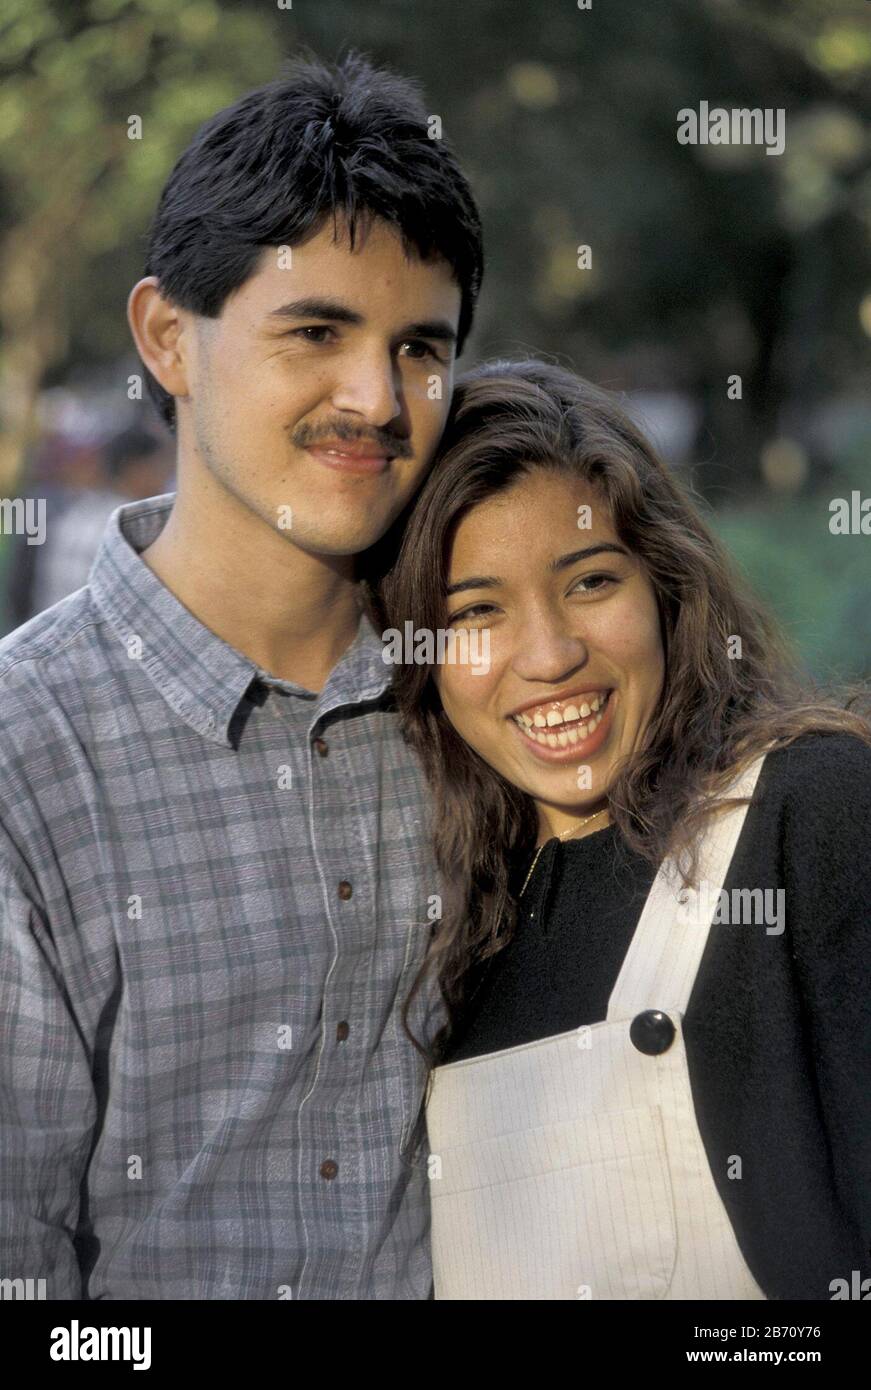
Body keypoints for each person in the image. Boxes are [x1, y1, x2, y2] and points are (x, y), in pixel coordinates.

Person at [0, 51, 481, 1300]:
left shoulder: (485, 693)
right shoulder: (22, 759)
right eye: (315, 330)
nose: (375, 398)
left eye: (419, 347)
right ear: (168, 336)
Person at [383, 359, 871, 1301]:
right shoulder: (449, 933)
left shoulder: (812, 816)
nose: (551, 655)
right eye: (475, 611)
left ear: (663, 584)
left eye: (589, 581)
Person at [30, 427, 172, 615]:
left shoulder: (78, 511)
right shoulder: (130, 528)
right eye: (159, 467)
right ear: (136, 468)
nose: (165, 478)